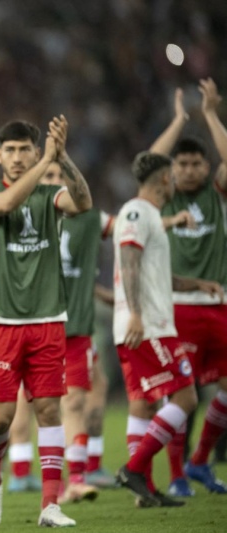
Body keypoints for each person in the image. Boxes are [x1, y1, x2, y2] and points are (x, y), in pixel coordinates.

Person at [0, 117, 93, 528]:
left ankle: (50, 505)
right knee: (0, 419)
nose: (18, 158)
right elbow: (3, 206)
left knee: (50, 411)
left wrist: (64, 157)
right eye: (12, 150)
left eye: (26, 150)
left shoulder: (50, 195)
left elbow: (83, 203)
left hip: (47, 319)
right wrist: (47, 162)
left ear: (36, 152)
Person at [113, 151, 223, 508]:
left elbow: (156, 274)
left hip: (153, 323)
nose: (177, 179)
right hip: (148, 327)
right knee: (186, 397)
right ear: (164, 179)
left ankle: (143, 488)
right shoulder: (136, 211)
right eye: (173, 174)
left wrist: (196, 283)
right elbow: (129, 263)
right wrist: (135, 314)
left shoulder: (152, 217)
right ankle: (134, 469)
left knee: (145, 403)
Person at [149, 80, 227, 496]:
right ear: (173, 172)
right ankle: (176, 475)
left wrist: (211, 115)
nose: (190, 170)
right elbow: (150, 161)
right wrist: (179, 120)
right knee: (180, 396)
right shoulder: (165, 198)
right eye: (183, 165)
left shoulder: (218, 195)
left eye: (198, 163)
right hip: (176, 306)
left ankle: (200, 463)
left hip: (219, 305)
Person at [40, 162, 115, 502]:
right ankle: (21, 472)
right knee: (24, 409)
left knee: (84, 394)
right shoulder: (32, 217)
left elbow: (129, 232)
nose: (56, 183)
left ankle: (81, 475)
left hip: (77, 327)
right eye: (49, 177)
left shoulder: (89, 218)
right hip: (42, 327)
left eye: (61, 177)